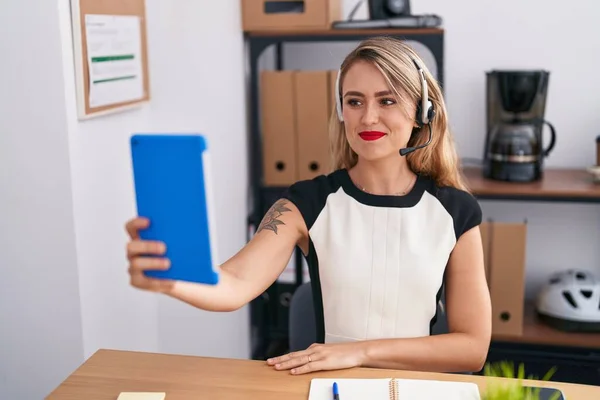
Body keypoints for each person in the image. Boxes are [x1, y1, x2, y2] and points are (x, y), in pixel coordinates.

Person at [125, 36, 492, 376]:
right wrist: (173, 280)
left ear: (421, 113)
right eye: (354, 101)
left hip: (414, 389)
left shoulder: (455, 212)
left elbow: (472, 348)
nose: (368, 117)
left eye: (388, 100)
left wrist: (362, 352)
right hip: (331, 388)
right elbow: (233, 283)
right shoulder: (306, 203)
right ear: (342, 111)